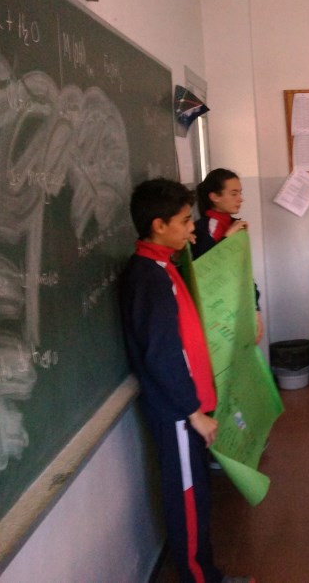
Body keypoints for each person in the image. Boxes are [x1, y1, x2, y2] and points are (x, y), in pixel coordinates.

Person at [119, 178, 252, 583]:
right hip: (178, 413)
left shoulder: (163, 265)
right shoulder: (149, 278)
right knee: (189, 501)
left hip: (185, 408)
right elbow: (162, 355)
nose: (192, 228)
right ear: (158, 225)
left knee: (198, 496)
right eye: (183, 221)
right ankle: (200, 577)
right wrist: (194, 412)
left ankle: (205, 571)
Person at [193, 168, 263, 344]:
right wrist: (227, 239)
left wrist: (255, 308)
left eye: (240, 193)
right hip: (213, 314)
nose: (240, 199)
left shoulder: (236, 226)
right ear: (214, 197)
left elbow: (243, 272)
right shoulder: (201, 230)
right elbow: (205, 271)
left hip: (238, 308)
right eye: (233, 193)